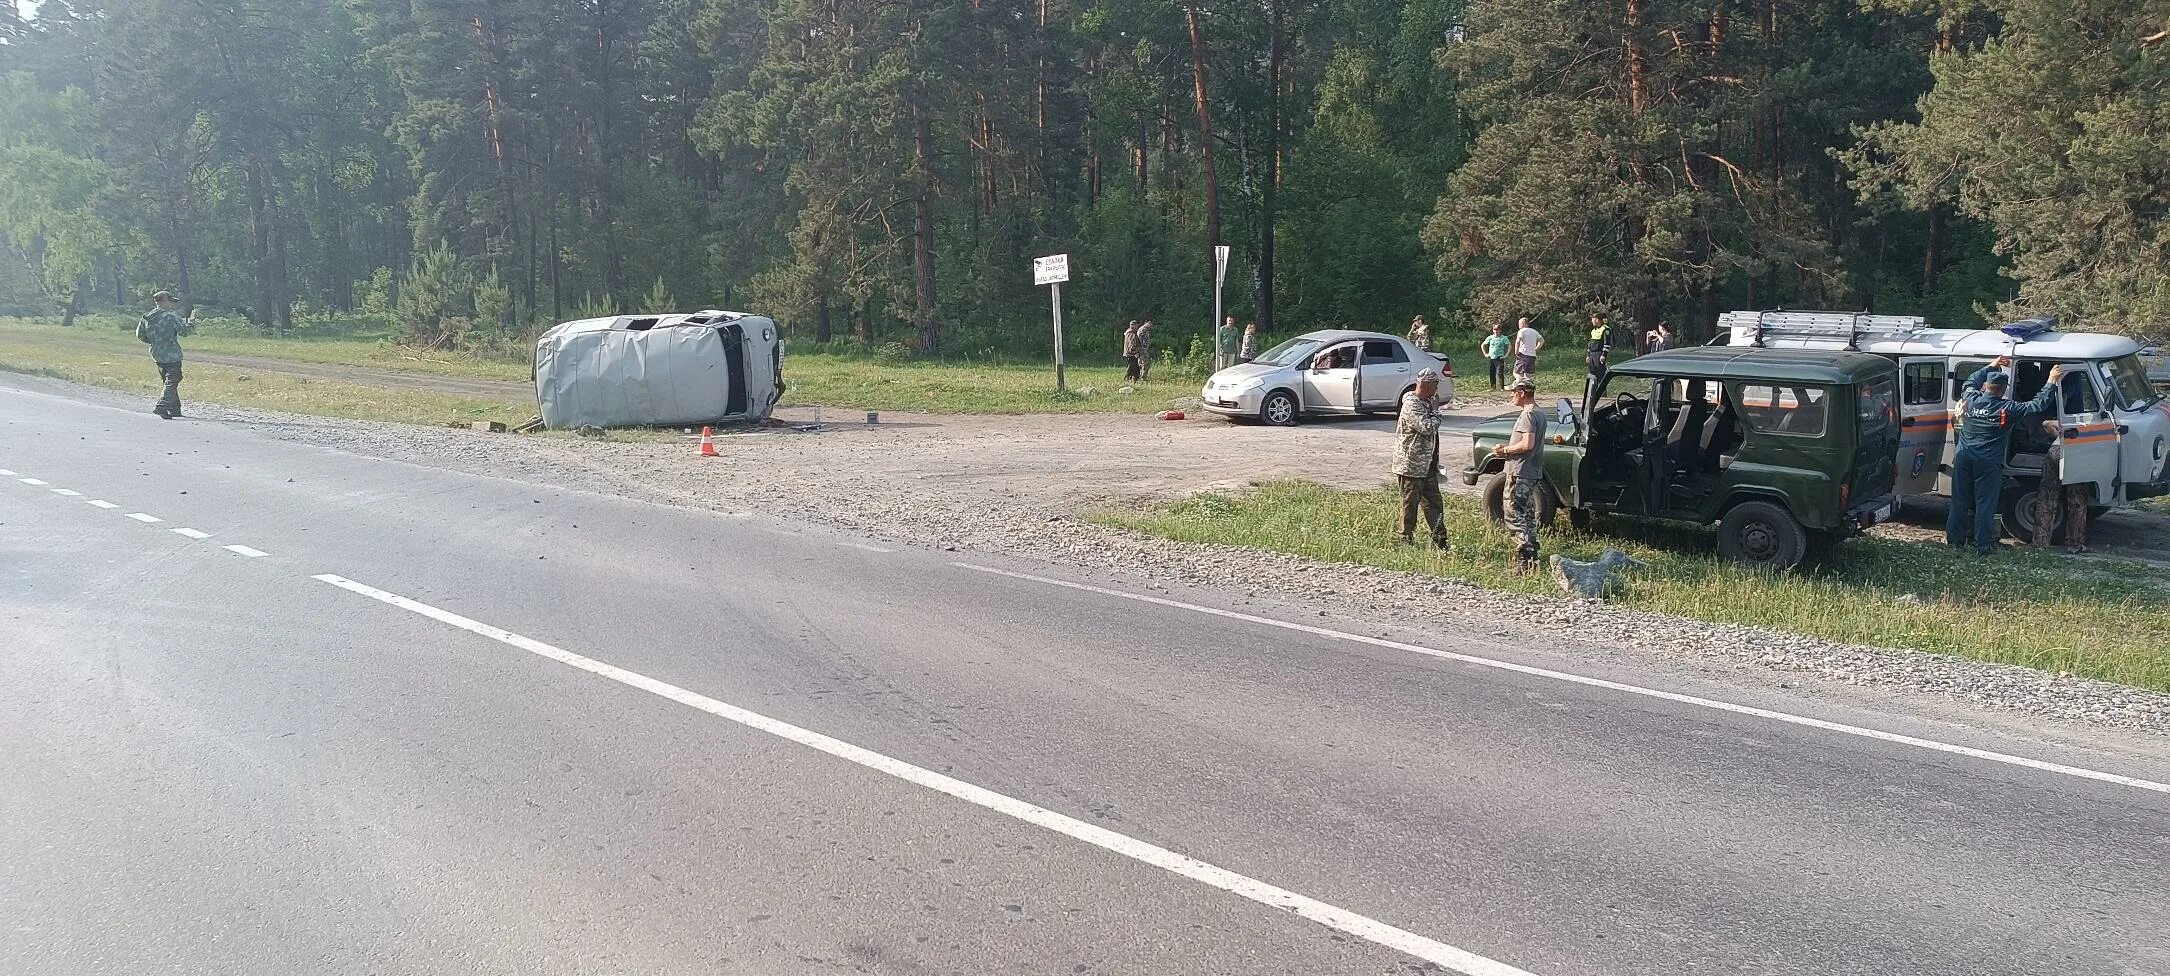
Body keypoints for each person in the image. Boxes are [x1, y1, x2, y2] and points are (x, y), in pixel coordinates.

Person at [1947, 356, 2064, 554]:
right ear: (2002, 390)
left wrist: (1991, 365)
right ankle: (1983, 546)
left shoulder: (1970, 398)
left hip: (1963, 458)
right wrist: (2051, 381)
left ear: (1985, 387)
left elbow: (1969, 381)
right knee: (1985, 503)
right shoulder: (2007, 408)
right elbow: (2038, 405)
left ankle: (1955, 543)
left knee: (1959, 501)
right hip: (1988, 463)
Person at [1487, 378, 1546, 573]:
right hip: (1531, 472)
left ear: (1521, 392)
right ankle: (1532, 557)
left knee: (1514, 514)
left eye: (1513, 392)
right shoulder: (1540, 413)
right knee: (1527, 515)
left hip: (1520, 471)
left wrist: (1505, 451)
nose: (1511, 395)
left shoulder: (1528, 415)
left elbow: (1527, 444)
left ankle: (1523, 562)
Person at [1391, 369, 1451, 549]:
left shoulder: (1425, 403)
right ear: (1425, 385)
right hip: (1411, 465)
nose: (1437, 388)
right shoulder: (1412, 405)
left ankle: (1440, 541)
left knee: (1434, 503)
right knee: (1410, 505)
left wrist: (1432, 409)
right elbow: (1427, 427)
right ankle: (1405, 540)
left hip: (1427, 466)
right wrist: (1436, 411)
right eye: (1435, 384)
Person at [2033, 420, 2091, 553]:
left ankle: (2040, 542)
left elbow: (2046, 423)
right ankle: (2075, 543)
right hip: (2075, 453)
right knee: (2077, 500)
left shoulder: (2063, 420)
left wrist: (2058, 434)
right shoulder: (2084, 421)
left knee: (2046, 498)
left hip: (2054, 451)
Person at [136, 290, 195, 419]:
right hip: (171, 354)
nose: (172, 304)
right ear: (164, 301)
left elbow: (140, 335)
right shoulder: (171, 316)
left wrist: (155, 342)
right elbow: (184, 332)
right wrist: (191, 323)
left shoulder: (147, 318)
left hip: (157, 354)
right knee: (173, 380)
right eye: (171, 301)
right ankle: (162, 406)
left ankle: (174, 409)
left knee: (168, 381)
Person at [1480, 323, 1512, 391]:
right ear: (1493, 330)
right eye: (1495, 329)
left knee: (1500, 373)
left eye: (1498, 329)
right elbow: (1483, 345)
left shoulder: (1503, 338)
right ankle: (1493, 387)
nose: (1496, 331)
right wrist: (1485, 354)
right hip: (1492, 357)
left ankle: (1501, 388)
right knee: (1492, 372)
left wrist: (1506, 355)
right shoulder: (1490, 338)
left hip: (1499, 357)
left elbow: (1509, 346)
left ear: (1500, 330)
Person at [1584, 312, 1611, 376]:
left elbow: (1607, 343)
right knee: (1592, 373)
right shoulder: (1593, 330)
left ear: (1597, 319)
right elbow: (1590, 344)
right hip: (1592, 354)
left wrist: (1603, 355)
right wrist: (1588, 355)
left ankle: (1600, 385)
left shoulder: (1605, 329)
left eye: (1592, 319)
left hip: (1599, 354)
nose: (1591, 321)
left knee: (1600, 373)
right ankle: (1593, 386)